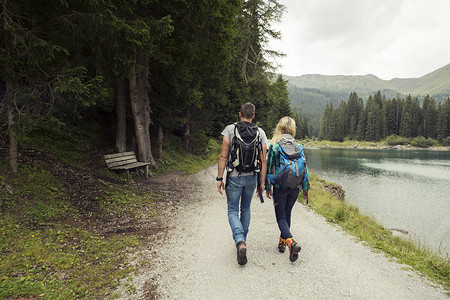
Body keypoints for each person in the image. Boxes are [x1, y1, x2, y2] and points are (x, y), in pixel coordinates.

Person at [217, 102, 268, 265]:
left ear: (240, 114)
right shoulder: (260, 132)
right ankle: (242, 241)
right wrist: (262, 183)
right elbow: (263, 160)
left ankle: (240, 241)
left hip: (234, 176)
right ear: (253, 115)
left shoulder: (230, 129)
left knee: (232, 209)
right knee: (245, 208)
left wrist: (219, 178)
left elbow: (223, 156)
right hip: (252, 177)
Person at [265, 116, 310, 262]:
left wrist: (267, 186)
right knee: (287, 214)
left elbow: (269, 167)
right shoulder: (299, 145)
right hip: (295, 186)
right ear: (292, 129)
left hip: (280, 186)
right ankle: (282, 242)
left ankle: (291, 243)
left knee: (281, 217)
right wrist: (305, 187)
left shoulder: (275, 145)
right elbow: (305, 168)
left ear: (279, 127)